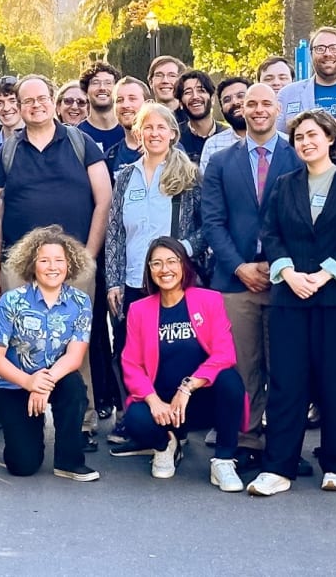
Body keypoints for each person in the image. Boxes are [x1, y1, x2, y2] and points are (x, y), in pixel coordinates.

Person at [248, 109, 336, 496]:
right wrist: (287, 274)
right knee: (287, 384)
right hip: (291, 297)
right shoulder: (285, 184)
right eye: (299, 137)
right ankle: (278, 468)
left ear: (331, 139)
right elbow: (270, 234)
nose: (306, 142)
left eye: (312, 135)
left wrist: (323, 275)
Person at [0, 75, 111, 435]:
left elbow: (104, 200)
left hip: (75, 264)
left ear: (53, 101)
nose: (35, 105)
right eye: (28, 101)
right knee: (19, 343)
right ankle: (27, 421)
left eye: (42, 98)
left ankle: (81, 423)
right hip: (20, 266)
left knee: (76, 343)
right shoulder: (8, 151)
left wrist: (88, 256)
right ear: (19, 107)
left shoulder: (80, 142)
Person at [200, 84, 303, 469]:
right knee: (242, 368)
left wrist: (279, 266)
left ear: (278, 108)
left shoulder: (298, 157)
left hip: (287, 281)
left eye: (265, 103)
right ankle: (246, 439)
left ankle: (282, 445)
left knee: (285, 367)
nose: (258, 110)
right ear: (241, 110)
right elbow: (212, 221)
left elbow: (305, 222)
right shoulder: (222, 162)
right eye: (251, 104)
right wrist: (240, 266)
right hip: (234, 281)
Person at [104, 102, 205, 434]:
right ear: (138, 133)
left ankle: (178, 418)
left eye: (161, 127)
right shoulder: (125, 176)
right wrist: (114, 281)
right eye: (147, 127)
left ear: (173, 134)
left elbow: (207, 228)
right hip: (134, 279)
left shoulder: (188, 175)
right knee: (128, 352)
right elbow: (115, 231)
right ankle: (131, 414)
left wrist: (183, 251)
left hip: (173, 281)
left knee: (173, 351)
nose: (154, 133)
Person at [119, 237, 247, 490]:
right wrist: (153, 401)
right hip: (163, 405)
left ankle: (223, 460)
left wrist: (187, 387)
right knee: (134, 418)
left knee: (230, 381)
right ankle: (166, 445)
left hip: (198, 399)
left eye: (171, 261)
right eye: (156, 264)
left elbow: (224, 354)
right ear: (149, 270)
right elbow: (131, 364)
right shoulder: (139, 310)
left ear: (184, 265)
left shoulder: (208, 300)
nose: (164, 269)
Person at [0, 225, 97, 481]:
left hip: (55, 379)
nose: (52, 267)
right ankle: (24, 438)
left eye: (59, 260)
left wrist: (42, 385)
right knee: (23, 465)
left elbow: (74, 357)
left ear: (70, 264)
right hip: (14, 383)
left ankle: (69, 460)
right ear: (32, 264)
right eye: (44, 260)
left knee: (75, 388)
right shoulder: (11, 301)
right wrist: (28, 382)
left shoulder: (80, 302)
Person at [277, 26, 336, 119]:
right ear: (311, 54)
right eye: (320, 48)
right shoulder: (288, 95)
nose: (327, 53)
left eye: (334, 48)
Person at [199, 76, 251, 172]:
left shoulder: (281, 140)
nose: (235, 102)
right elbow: (207, 184)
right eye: (227, 100)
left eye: (241, 96)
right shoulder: (213, 144)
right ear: (221, 109)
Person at [175, 69, 223, 164]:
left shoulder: (228, 136)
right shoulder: (175, 139)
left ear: (212, 99)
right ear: (180, 103)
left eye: (201, 90)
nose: (195, 97)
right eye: (188, 92)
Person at [78, 61, 125, 152]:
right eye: (95, 83)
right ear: (85, 91)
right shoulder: (77, 136)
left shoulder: (130, 133)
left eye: (108, 83)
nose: (102, 88)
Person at [105, 76, 148, 173]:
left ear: (147, 103)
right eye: (119, 100)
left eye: (132, 99)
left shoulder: (168, 149)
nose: (125, 105)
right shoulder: (110, 158)